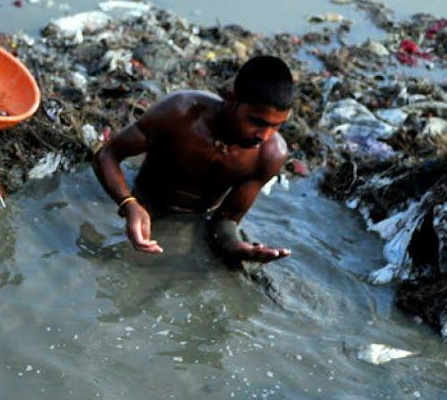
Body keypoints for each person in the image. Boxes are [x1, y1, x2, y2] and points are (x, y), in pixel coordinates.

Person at [92, 55, 295, 264]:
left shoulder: (270, 155)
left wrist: (238, 247)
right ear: (232, 99)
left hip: (193, 221)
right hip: (141, 197)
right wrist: (128, 203)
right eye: (256, 121)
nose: (264, 136)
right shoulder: (181, 113)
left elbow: (226, 220)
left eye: (276, 126)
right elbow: (107, 154)